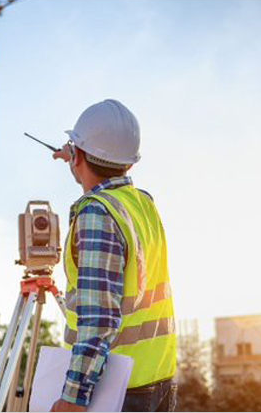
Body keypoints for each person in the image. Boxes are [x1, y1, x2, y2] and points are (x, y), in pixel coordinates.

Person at [49, 99, 177, 412]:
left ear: (77, 155)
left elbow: (100, 319)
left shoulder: (98, 214)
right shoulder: (141, 204)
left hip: (117, 392)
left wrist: (73, 397)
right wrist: (79, 156)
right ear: (130, 163)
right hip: (158, 379)